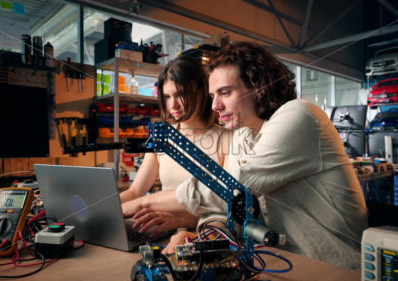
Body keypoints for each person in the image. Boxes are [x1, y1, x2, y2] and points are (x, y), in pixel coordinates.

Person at [129, 41, 368, 270]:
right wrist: (202, 232)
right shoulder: (243, 136)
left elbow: (229, 188)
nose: (215, 106)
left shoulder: (300, 115)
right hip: (283, 262)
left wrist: (143, 201)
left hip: (335, 268)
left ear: (259, 87)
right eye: (213, 96)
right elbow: (229, 209)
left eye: (225, 92)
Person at [120, 56, 229, 236]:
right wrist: (101, 209)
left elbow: (224, 206)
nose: (173, 105)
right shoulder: (163, 136)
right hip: (159, 230)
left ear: (202, 92)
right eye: (167, 96)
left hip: (204, 233)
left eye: (181, 95)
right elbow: (136, 191)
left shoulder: (226, 139)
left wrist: (182, 222)